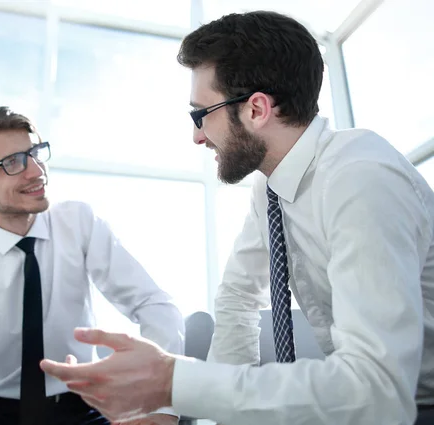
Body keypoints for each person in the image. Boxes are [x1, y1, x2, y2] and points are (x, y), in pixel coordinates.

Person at [40, 10, 434, 425]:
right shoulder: (273, 187)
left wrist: (174, 381)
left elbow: (378, 393)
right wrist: (185, 412)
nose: (196, 135)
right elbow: (238, 297)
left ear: (257, 109)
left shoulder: (359, 179)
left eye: (200, 114)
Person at [0, 106, 184, 425]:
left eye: (36, 153)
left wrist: (161, 408)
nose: (36, 171)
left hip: (83, 407)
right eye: (12, 163)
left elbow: (152, 303)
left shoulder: (78, 223)